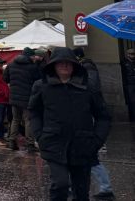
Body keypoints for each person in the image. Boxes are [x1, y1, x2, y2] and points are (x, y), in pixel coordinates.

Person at [29, 47, 111, 201]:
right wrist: (40, 135)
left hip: (83, 145)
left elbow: (103, 116)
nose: (64, 66)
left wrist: (97, 140)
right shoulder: (41, 86)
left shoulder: (88, 87)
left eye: (68, 63)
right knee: (60, 184)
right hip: (54, 143)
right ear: (53, 65)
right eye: (60, 63)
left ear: (75, 65)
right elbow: (34, 112)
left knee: (81, 192)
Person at [73, 47, 115, 200]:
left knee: (90, 156)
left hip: (89, 110)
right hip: (87, 110)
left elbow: (91, 87)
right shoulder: (87, 66)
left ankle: (105, 187)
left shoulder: (87, 67)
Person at [3, 48, 43, 151]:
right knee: (28, 120)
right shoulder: (32, 67)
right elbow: (38, 80)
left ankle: (12, 141)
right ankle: (29, 144)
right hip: (27, 97)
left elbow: (5, 78)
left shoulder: (11, 65)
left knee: (15, 119)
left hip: (14, 97)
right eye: (33, 56)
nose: (34, 58)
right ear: (30, 56)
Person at [123, 48, 135, 121]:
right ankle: (133, 117)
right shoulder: (124, 63)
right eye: (131, 54)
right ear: (127, 54)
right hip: (130, 85)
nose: (133, 55)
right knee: (132, 101)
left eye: (133, 53)